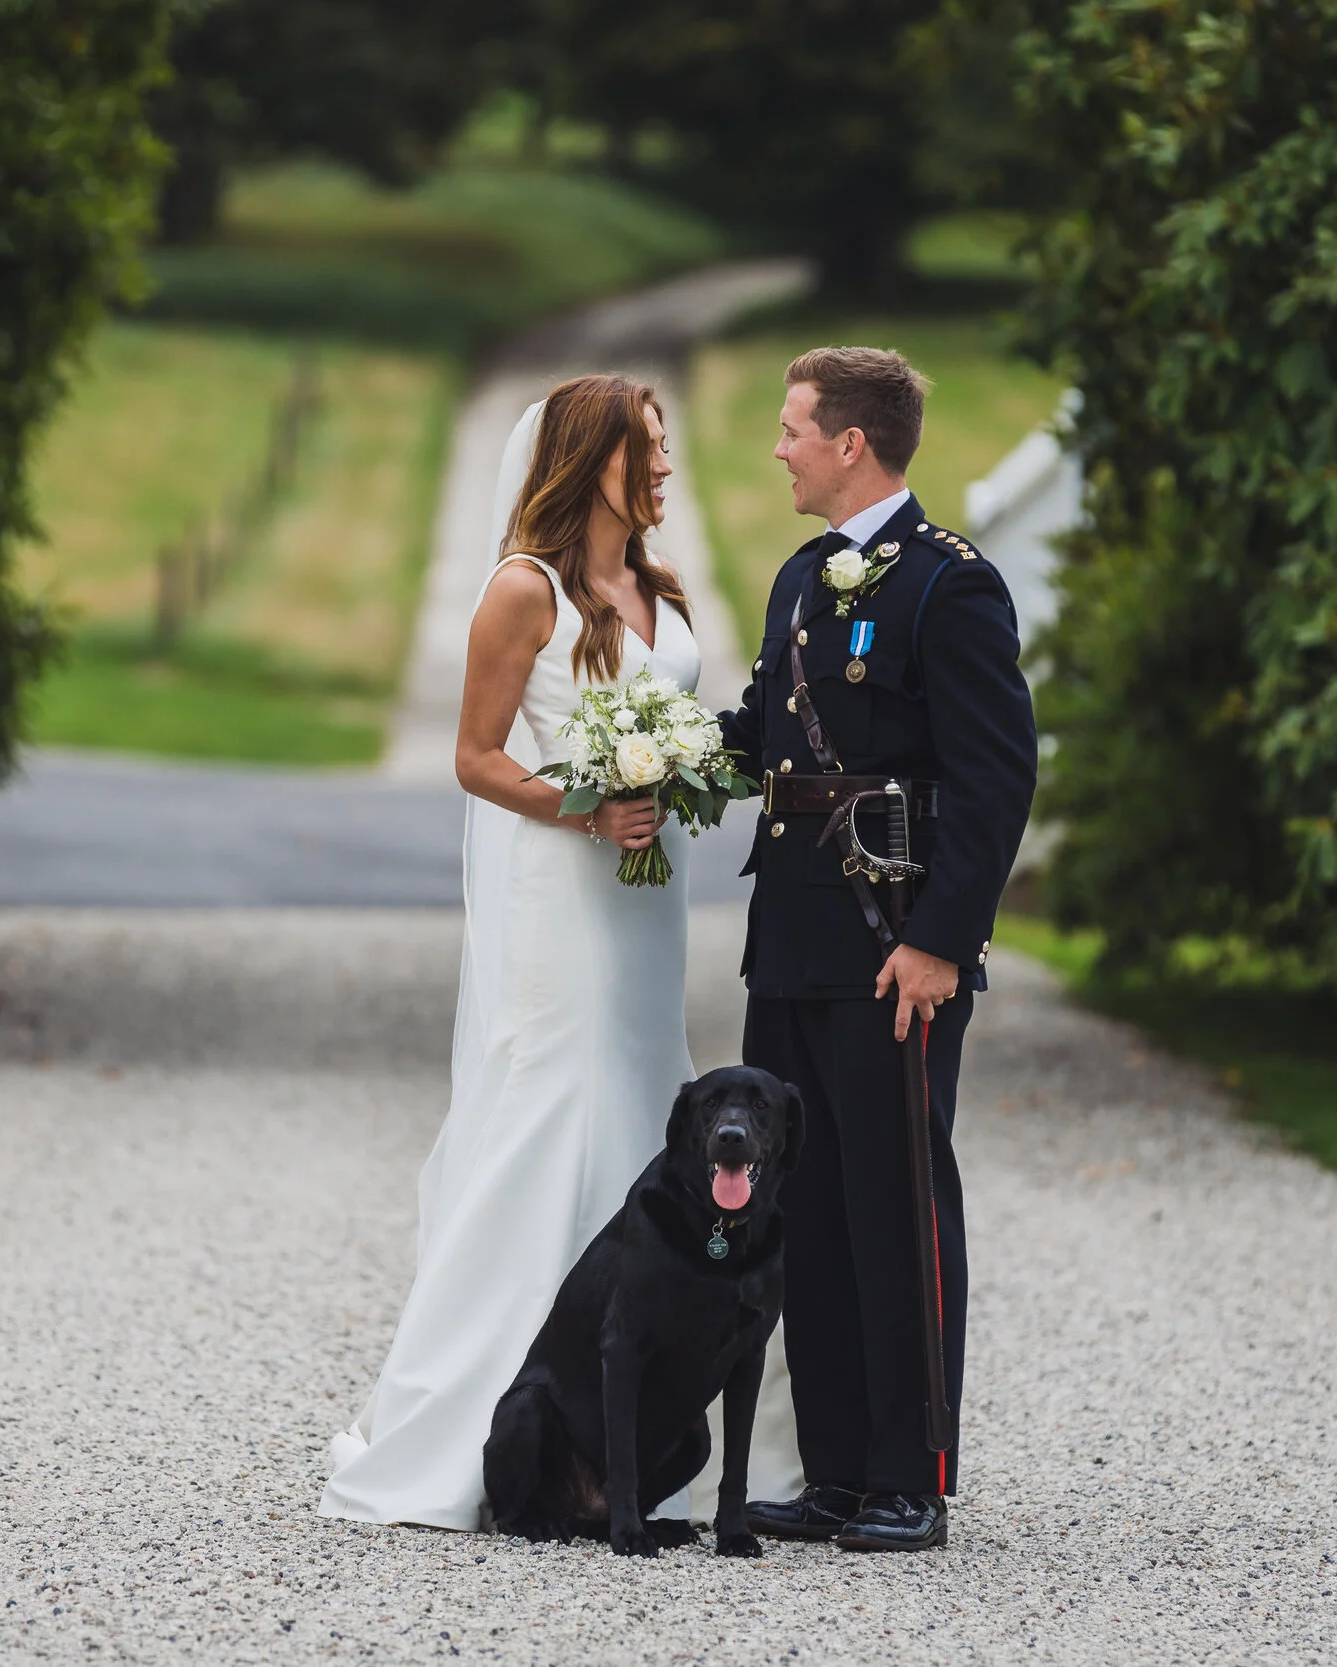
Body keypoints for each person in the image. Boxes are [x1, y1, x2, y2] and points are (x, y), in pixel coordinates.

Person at [321, 374, 796, 1530]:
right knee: (552, 1106)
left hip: (644, 899)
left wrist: (679, 778)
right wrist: (587, 810)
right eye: (649, 448)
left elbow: (679, 726)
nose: (667, 468)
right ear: (593, 461)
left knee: (644, 1103)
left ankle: (631, 1410)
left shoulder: (656, 585)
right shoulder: (521, 591)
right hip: (561, 892)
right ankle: (495, 1419)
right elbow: (477, 756)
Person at [719, 347, 1036, 1553]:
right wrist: (635, 753)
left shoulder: (952, 586)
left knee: (897, 1205)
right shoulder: (801, 577)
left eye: (793, 427)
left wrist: (943, 941)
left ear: (851, 442)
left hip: (894, 943)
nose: (781, 447)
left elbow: (997, 776)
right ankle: (840, 1472)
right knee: (810, 1207)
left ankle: (912, 1474)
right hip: (791, 938)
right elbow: (765, 736)